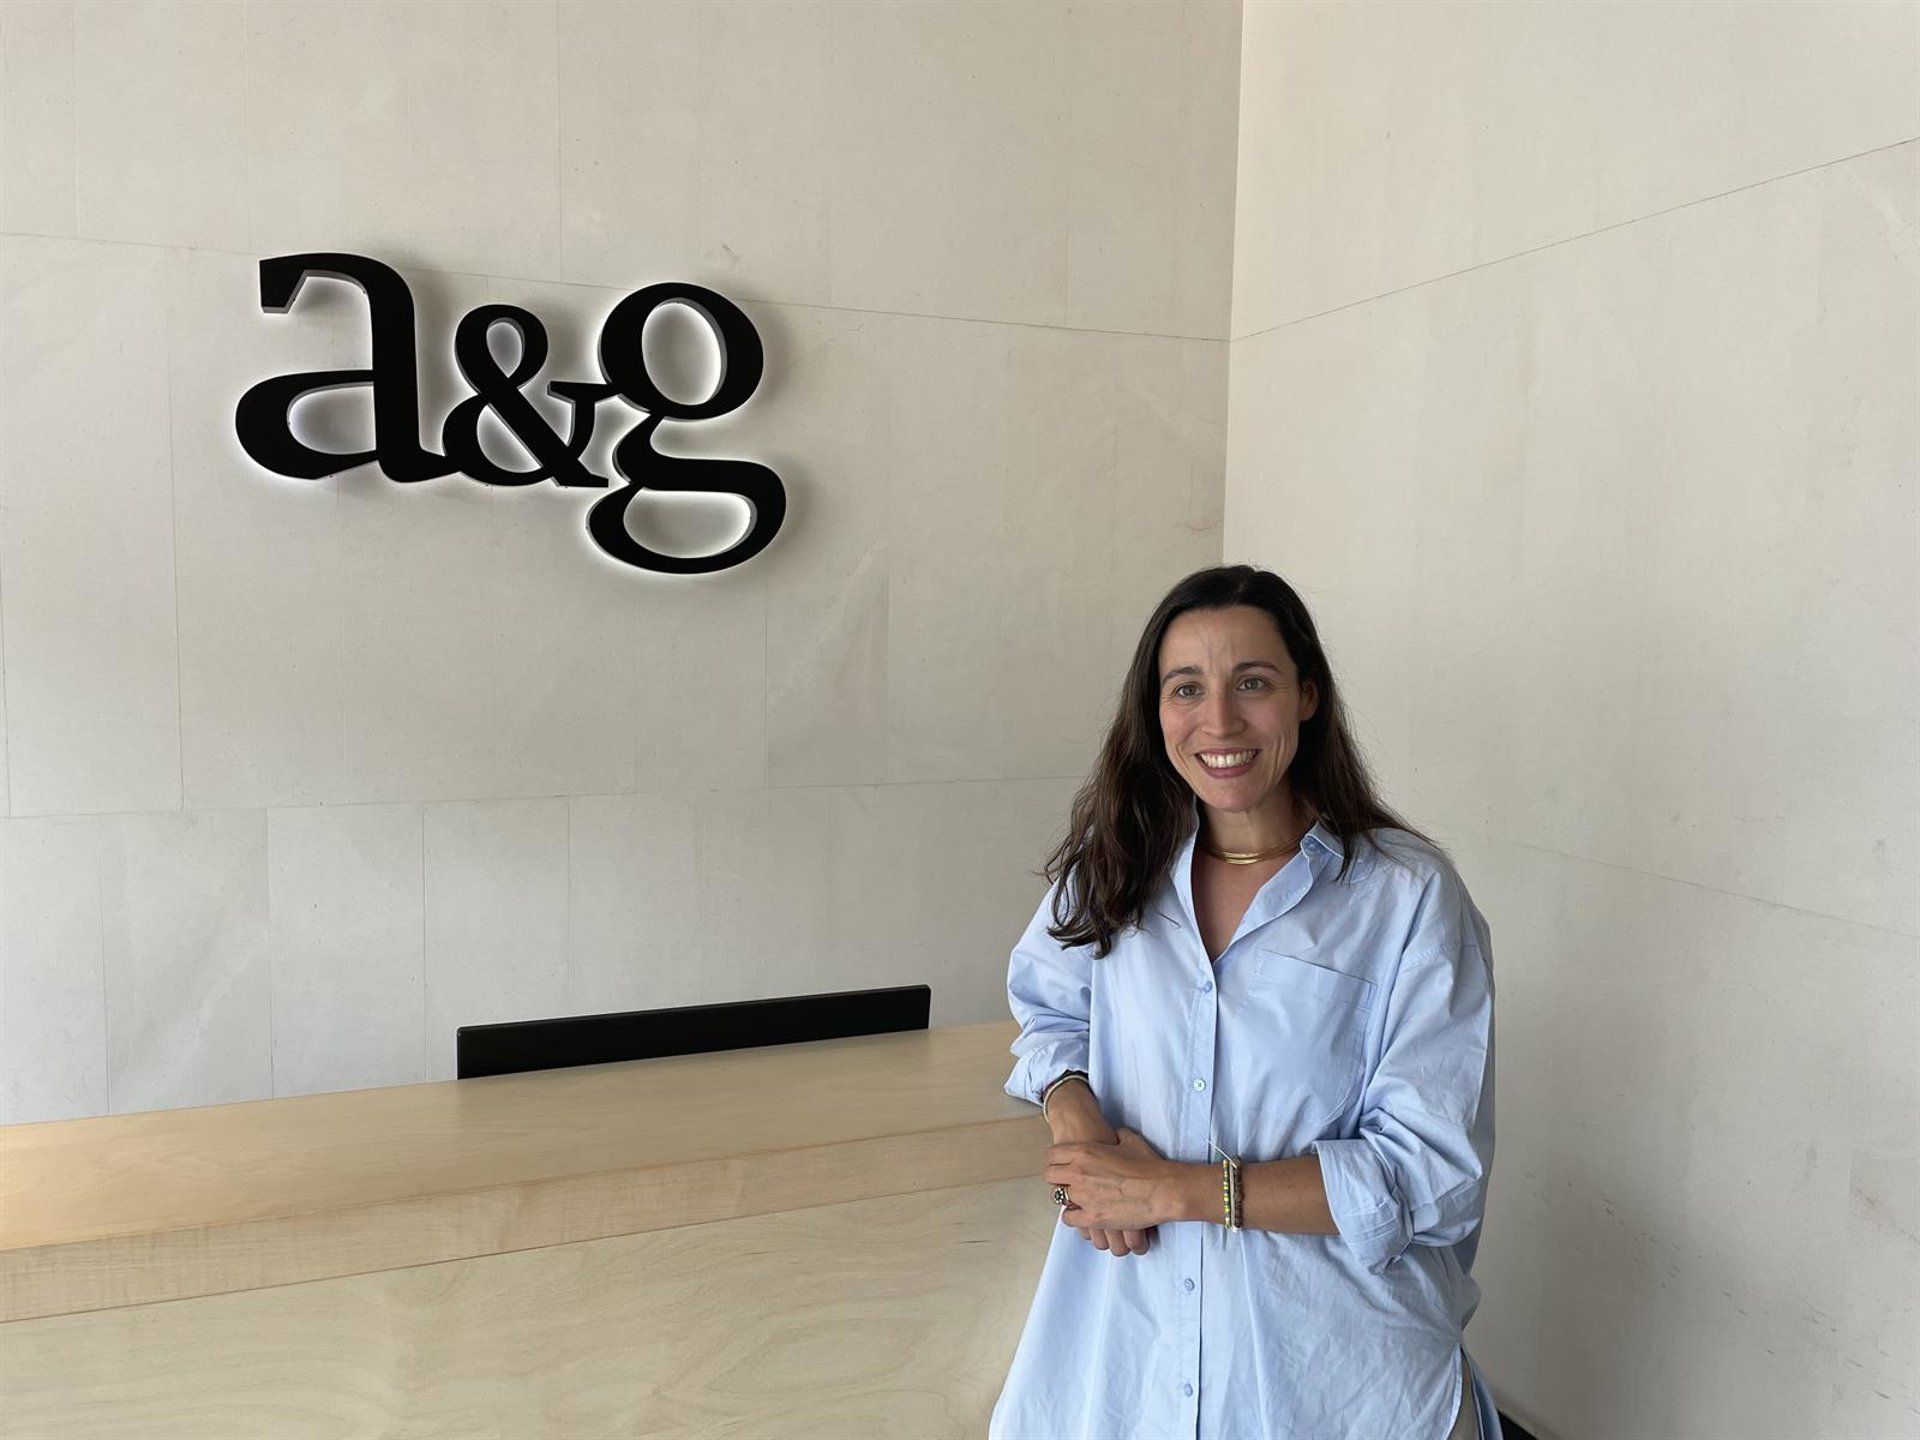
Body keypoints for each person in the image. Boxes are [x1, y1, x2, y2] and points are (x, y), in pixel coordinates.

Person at [989, 564, 1503, 1440]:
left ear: (1307, 695)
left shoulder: (1407, 897)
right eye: (1187, 687)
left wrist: (1172, 1191)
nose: (1219, 721)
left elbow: (1430, 1177)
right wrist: (1074, 1117)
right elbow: (1050, 1009)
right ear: (1155, 711)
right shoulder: (1115, 867)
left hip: (1340, 1387)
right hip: (1131, 1366)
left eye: (1253, 683)